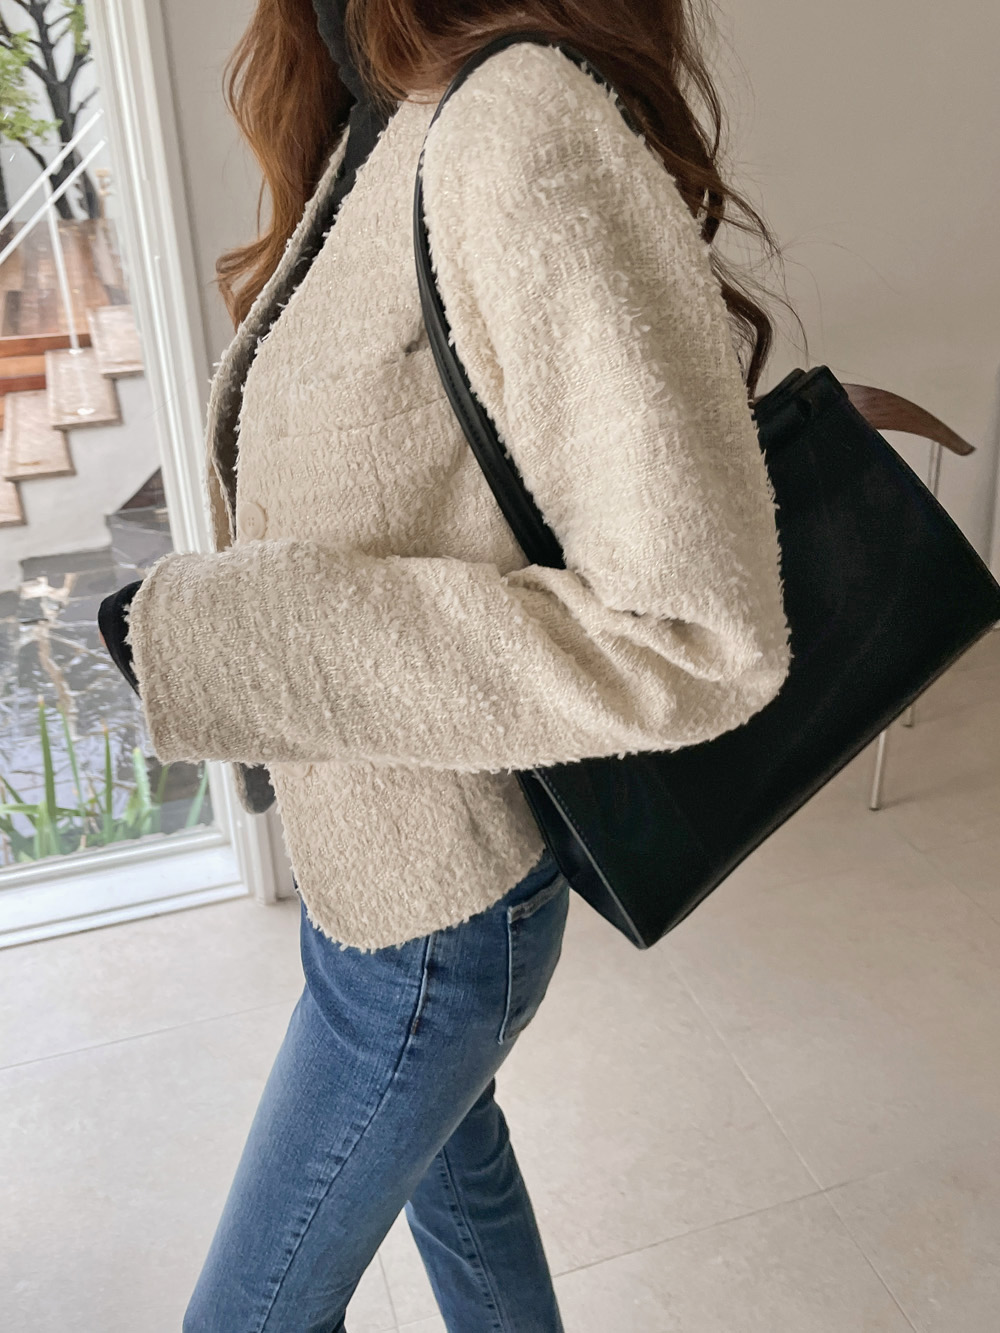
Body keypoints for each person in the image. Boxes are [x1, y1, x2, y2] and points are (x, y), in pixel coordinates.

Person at [99, 1, 794, 1328]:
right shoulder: (380, 100)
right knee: (459, 1193)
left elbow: (699, 633)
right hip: (374, 862)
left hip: (435, 914)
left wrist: (239, 640)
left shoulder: (517, 120)